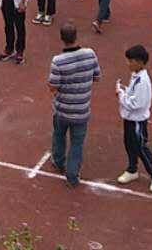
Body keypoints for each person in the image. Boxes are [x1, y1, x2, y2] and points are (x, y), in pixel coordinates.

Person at [46, 23, 100, 187]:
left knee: (59, 135)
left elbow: (53, 86)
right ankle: (72, 175)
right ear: (76, 36)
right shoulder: (90, 54)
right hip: (82, 109)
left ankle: (58, 161)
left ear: (62, 39)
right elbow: (97, 77)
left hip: (62, 109)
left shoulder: (58, 61)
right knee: (77, 143)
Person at [115, 44, 152, 192]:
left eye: (131, 61)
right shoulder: (135, 76)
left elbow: (136, 103)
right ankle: (132, 169)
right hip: (129, 119)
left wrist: (121, 95)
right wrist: (125, 91)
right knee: (129, 144)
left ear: (140, 62)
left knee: (141, 147)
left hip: (137, 120)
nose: (128, 64)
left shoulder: (143, 81)